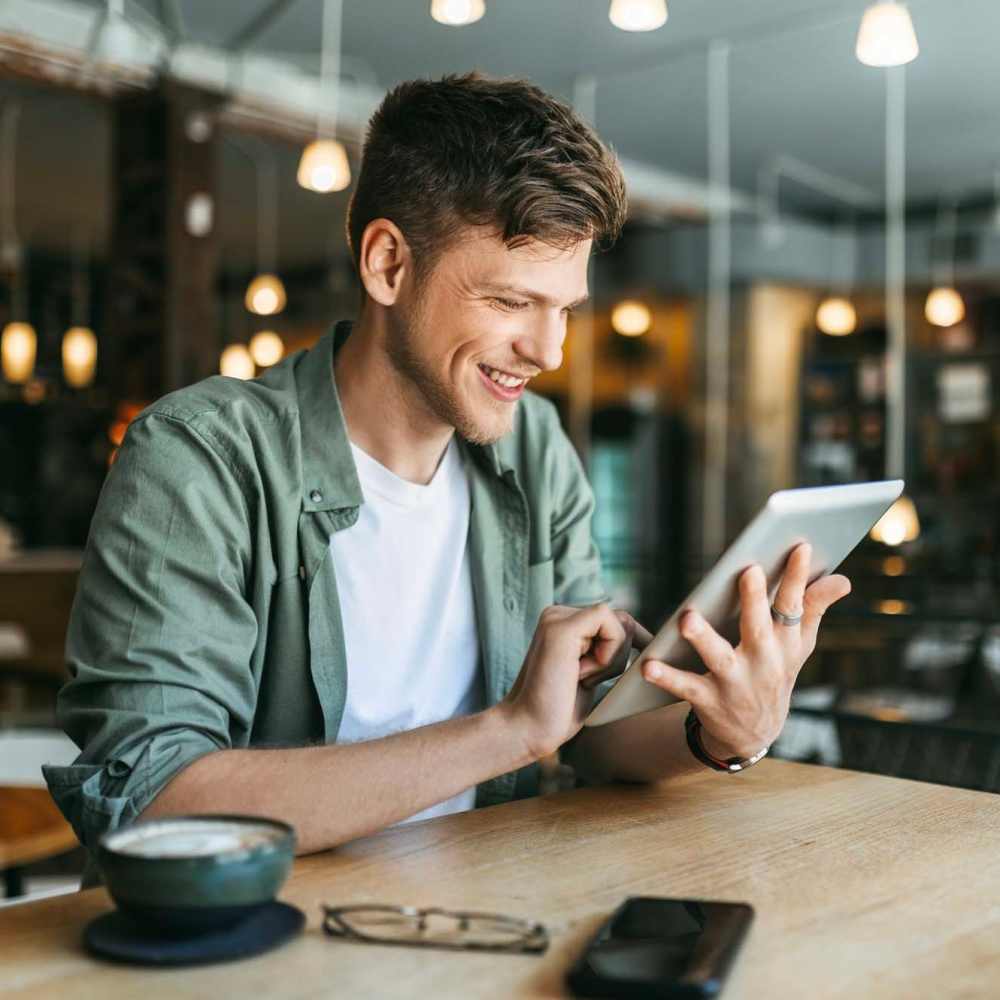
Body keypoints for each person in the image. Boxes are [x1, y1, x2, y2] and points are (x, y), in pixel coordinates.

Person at [45, 74, 850, 868]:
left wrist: (721, 731)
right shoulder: (199, 457)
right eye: (510, 302)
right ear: (388, 265)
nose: (549, 351)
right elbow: (152, 797)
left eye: (564, 309)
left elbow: (592, 732)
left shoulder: (536, 448)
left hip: (482, 924)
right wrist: (507, 732)